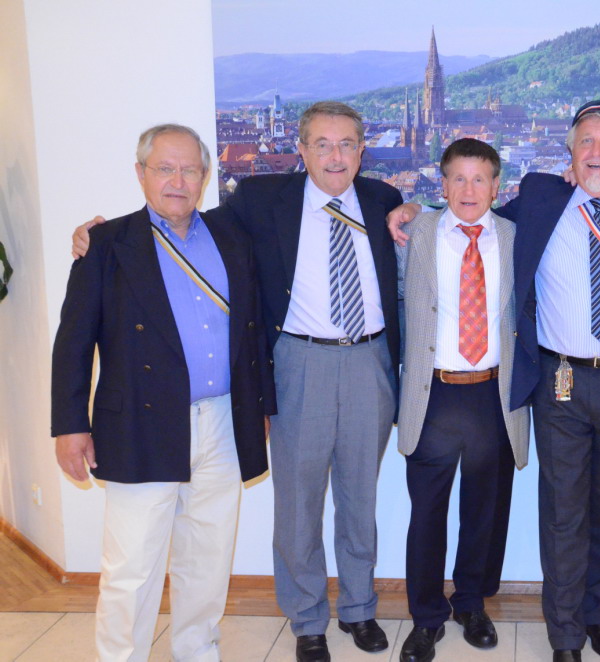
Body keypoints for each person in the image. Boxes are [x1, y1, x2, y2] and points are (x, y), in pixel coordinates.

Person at [72, 101, 403, 662]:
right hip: (300, 362)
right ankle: (307, 620)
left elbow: (437, 220)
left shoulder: (383, 199)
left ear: (362, 149)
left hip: (370, 360)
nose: (335, 155)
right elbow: (180, 223)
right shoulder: (260, 200)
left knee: (360, 497)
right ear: (301, 150)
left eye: (346, 143)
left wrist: (416, 208)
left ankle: (359, 608)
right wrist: (94, 234)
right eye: (321, 144)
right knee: (298, 504)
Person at [391, 99, 600, 662]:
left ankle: (597, 614)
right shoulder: (543, 200)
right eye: (585, 142)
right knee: (562, 512)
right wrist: (406, 206)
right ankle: (565, 635)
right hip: (560, 380)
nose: (596, 153)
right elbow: (465, 208)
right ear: (569, 155)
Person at [51, 124, 273, 661]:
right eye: (165, 169)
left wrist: (261, 408)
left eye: (189, 170)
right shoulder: (106, 244)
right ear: (141, 173)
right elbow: (73, 342)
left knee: (208, 555)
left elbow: (254, 330)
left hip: (223, 422)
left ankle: (197, 651)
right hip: (139, 421)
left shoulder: (231, 237)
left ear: (205, 176)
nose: (178, 181)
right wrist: (70, 426)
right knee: (132, 566)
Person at [394, 138, 530, 662]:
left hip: (493, 396)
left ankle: (471, 604)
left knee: (483, 513)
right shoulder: (415, 231)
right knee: (427, 514)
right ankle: (426, 618)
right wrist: (406, 207)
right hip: (433, 396)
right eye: (458, 178)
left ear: (496, 186)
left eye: (480, 179)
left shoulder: (516, 237)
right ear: (442, 183)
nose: (469, 190)